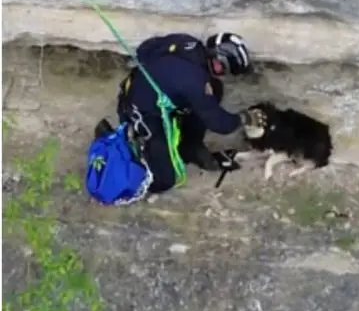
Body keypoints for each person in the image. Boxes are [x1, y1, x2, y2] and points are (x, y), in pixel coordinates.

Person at [102, 32, 259, 195]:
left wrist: (161, 78)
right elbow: (219, 123)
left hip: (141, 87)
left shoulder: (188, 43)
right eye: (224, 69)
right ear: (217, 57)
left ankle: (189, 147)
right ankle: (118, 148)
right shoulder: (195, 82)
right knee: (164, 180)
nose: (223, 74)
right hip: (141, 110)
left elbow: (145, 49)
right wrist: (244, 118)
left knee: (214, 90)